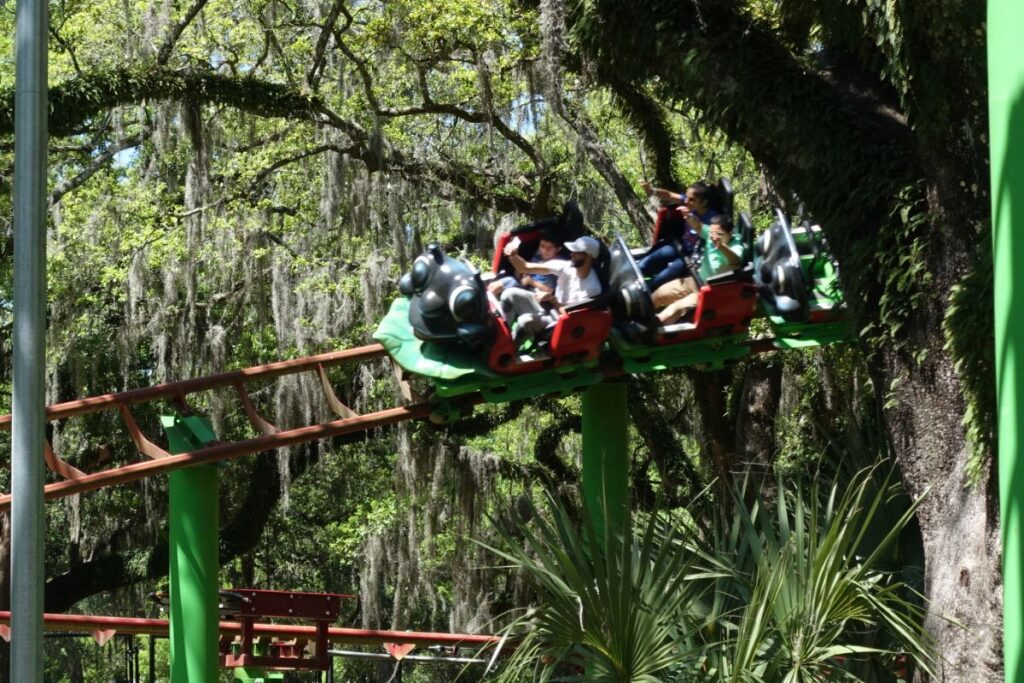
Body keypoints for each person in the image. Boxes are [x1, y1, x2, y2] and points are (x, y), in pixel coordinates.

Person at [500, 235, 603, 345]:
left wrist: (553, 300)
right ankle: (500, 338)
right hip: (549, 306)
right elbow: (524, 267)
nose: (571, 254)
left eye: (576, 252)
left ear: (588, 256)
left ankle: (508, 350)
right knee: (509, 294)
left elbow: (572, 320)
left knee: (525, 321)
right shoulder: (566, 266)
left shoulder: (593, 288)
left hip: (559, 322)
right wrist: (512, 255)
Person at [654, 213, 743, 325]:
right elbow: (699, 227)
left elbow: (736, 260)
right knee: (659, 293)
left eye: (719, 234)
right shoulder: (712, 235)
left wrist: (721, 246)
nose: (713, 236)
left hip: (708, 293)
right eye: (711, 233)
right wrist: (688, 216)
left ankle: (653, 328)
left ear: (730, 234)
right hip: (695, 280)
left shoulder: (736, 246)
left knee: (674, 309)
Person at [636, 182, 718, 291]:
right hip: (680, 246)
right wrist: (652, 190)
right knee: (645, 264)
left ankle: (644, 293)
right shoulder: (689, 203)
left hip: (692, 259)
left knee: (661, 278)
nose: (686, 201)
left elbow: (705, 232)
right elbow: (669, 195)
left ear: (704, 202)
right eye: (686, 198)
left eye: (691, 199)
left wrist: (689, 217)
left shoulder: (713, 219)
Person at [487, 235, 560, 297]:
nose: (544, 251)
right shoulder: (538, 256)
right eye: (542, 246)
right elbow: (523, 269)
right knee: (491, 284)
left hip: (536, 293)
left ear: (558, 249)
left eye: (549, 248)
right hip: (522, 283)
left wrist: (531, 281)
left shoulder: (558, 265)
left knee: (497, 287)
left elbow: (550, 291)